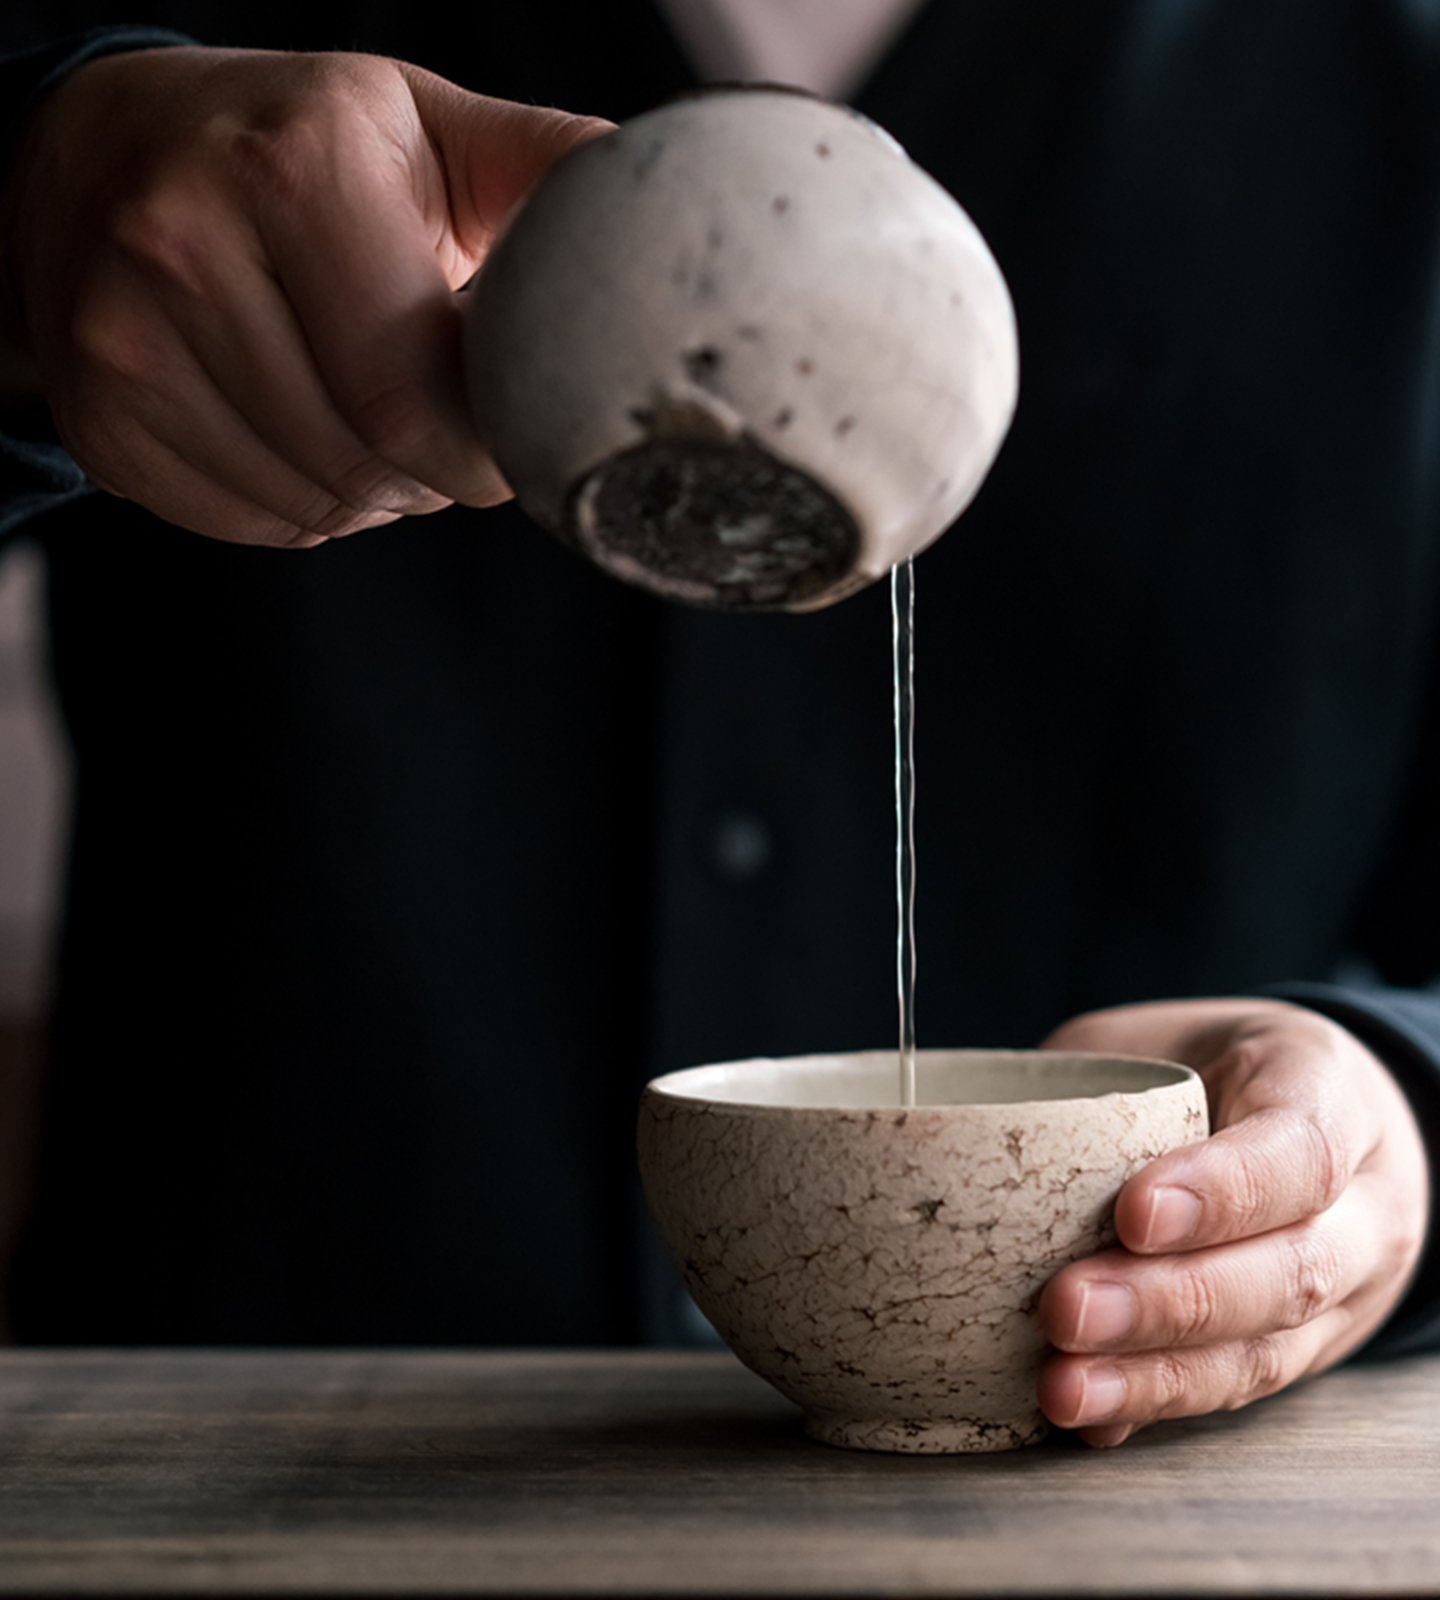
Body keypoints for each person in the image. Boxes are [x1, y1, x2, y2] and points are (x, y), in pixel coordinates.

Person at [0, 0, 1436, 1451]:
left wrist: (1398, 1126)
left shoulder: (1396, 87)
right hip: (221, 1464)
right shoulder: (182, 38)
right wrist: (19, 189)